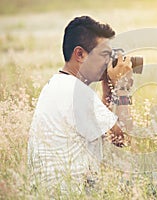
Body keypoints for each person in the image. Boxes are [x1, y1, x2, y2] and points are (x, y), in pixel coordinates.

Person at [27, 16, 133, 194]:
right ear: (80, 54)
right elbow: (123, 139)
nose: (108, 63)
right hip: (70, 193)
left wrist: (107, 91)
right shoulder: (78, 93)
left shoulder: (57, 85)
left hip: (49, 192)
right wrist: (122, 88)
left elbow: (98, 128)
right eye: (104, 55)